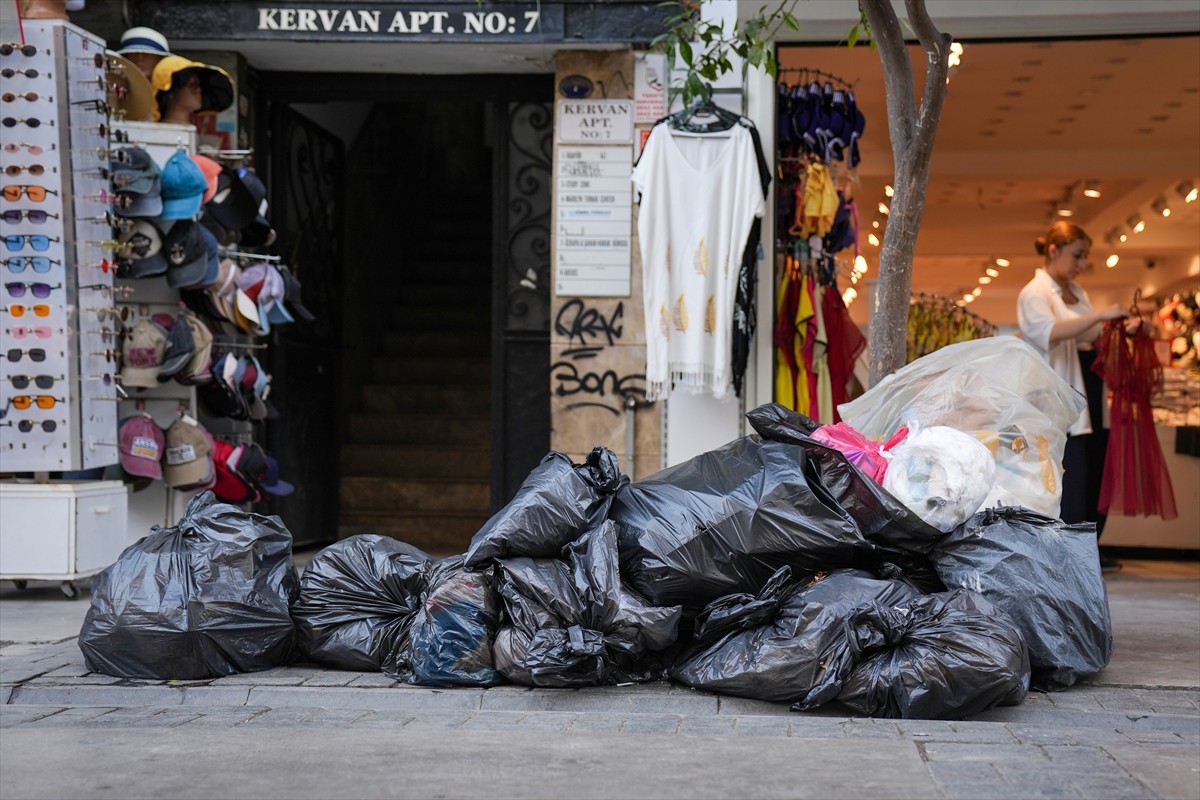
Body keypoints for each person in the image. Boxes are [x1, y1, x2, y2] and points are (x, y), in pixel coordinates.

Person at [1016, 221, 1130, 572]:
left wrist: (1118, 325)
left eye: (1085, 257)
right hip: (1057, 394)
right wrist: (1100, 315)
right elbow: (1048, 333)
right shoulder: (1034, 292)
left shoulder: (1077, 291)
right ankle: (1066, 555)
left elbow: (1091, 333)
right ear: (1054, 250)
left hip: (1089, 389)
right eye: (1077, 256)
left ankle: (1087, 547)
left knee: (1093, 471)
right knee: (1071, 477)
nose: (1082, 264)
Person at [150, 55, 235, 126]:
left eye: (200, 85)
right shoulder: (151, 133)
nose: (199, 90)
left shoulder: (196, 134)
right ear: (171, 91)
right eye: (193, 85)